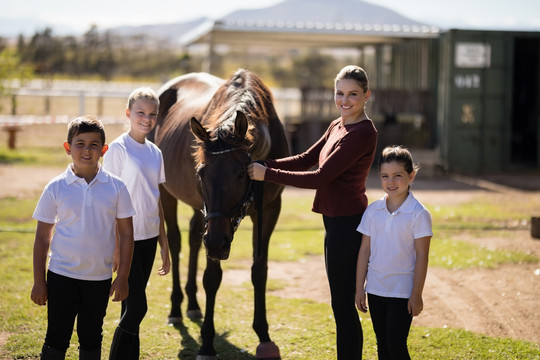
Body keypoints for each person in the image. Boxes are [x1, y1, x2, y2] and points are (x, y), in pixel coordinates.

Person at [248, 65, 377, 359]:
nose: (345, 100)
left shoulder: (362, 133)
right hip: (334, 222)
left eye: (353, 94)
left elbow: (320, 176)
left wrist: (266, 176)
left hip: (349, 224)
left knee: (343, 306)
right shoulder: (338, 125)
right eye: (340, 93)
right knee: (339, 304)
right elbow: (307, 158)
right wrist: (264, 165)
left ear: (366, 95)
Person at [31, 116, 135, 360]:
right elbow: (42, 237)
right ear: (68, 148)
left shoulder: (117, 187)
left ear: (104, 150)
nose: (87, 150)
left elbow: (127, 234)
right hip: (61, 276)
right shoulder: (56, 187)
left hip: (98, 279)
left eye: (94, 144)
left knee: (91, 338)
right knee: (56, 338)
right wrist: (39, 280)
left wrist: (123, 278)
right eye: (80, 144)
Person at [103, 87, 170, 359]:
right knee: (138, 307)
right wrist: (117, 247)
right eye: (140, 112)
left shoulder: (155, 152)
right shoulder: (118, 149)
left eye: (152, 114)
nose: (146, 118)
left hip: (149, 238)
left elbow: (157, 201)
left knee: (131, 305)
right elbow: (108, 200)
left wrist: (164, 244)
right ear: (128, 113)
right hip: (127, 239)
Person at [355, 145, 432, 360]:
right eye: (385, 176)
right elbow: (364, 250)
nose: (391, 182)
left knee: (396, 345)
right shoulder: (373, 211)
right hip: (376, 290)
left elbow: (422, 257)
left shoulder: (419, 214)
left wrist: (416, 294)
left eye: (398, 176)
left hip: (402, 292)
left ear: (411, 176)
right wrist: (359, 288)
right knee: (382, 346)